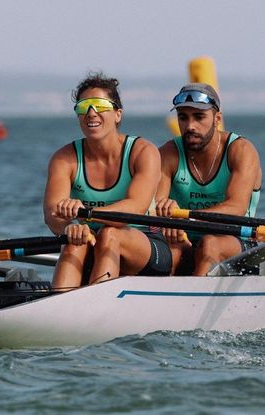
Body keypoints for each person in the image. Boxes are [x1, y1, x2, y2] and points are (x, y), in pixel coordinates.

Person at [43, 72, 170, 289]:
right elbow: (52, 215)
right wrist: (69, 227)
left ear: (117, 114)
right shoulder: (64, 159)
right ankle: (57, 308)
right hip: (94, 239)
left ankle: (94, 310)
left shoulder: (143, 152)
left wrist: (85, 216)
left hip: (147, 246)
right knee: (75, 241)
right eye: (84, 107)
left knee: (110, 234)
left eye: (100, 105)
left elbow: (135, 207)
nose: (91, 113)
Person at [154, 83, 262, 276]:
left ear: (217, 119)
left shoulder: (241, 151)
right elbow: (154, 208)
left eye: (199, 117)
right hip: (184, 238)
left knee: (210, 243)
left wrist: (182, 217)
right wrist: (164, 216)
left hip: (235, 241)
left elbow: (236, 208)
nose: (190, 126)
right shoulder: (168, 153)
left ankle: (191, 303)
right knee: (169, 249)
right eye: (183, 118)